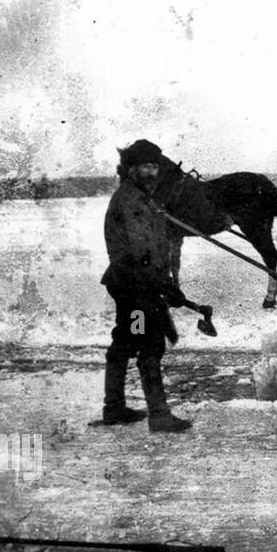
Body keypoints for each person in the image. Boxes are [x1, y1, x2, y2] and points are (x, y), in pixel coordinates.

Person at [100, 139, 192, 434]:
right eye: (145, 166)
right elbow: (142, 250)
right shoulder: (132, 200)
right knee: (148, 343)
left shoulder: (141, 197)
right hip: (135, 287)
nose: (152, 172)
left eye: (155, 166)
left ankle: (114, 408)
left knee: (125, 342)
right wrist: (164, 284)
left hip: (133, 283)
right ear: (131, 168)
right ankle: (160, 416)